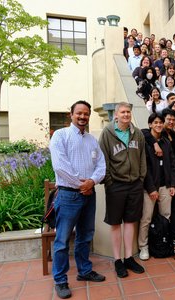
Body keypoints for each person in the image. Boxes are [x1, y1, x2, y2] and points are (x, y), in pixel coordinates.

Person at [50, 100, 106, 299]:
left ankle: (84, 271)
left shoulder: (92, 140)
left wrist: (91, 182)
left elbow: (101, 165)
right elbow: (60, 166)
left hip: (89, 195)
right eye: (79, 113)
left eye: (86, 114)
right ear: (71, 115)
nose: (83, 117)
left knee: (85, 235)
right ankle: (60, 280)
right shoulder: (60, 136)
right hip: (68, 196)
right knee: (63, 240)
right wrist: (81, 184)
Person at [99, 102, 147, 278]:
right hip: (116, 185)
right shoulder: (107, 133)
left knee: (130, 221)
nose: (126, 114)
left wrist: (141, 179)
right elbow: (102, 159)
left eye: (128, 112)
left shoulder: (138, 133)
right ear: (116, 115)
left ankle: (128, 258)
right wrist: (109, 181)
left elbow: (142, 158)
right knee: (115, 223)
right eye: (123, 112)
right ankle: (117, 260)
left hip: (135, 184)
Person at [138, 113, 175, 260]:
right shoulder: (145, 141)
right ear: (150, 125)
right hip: (150, 188)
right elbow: (144, 168)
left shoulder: (166, 142)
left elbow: (173, 165)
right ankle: (144, 247)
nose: (159, 125)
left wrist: (173, 184)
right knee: (146, 218)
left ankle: (166, 244)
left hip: (165, 186)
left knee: (166, 217)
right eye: (155, 122)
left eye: (161, 122)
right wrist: (151, 189)